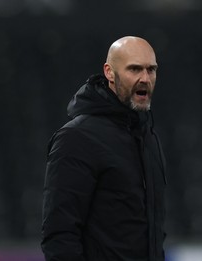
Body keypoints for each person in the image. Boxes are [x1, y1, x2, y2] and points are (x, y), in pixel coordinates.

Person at [41, 36, 167, 261]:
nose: (145, 78)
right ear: (109, 72)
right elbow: (60, 235)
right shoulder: (77, 138)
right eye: (135, 69)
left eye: (151, 70)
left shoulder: (148, 136)